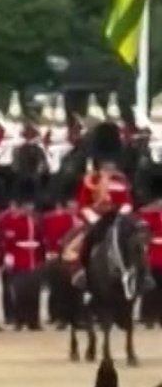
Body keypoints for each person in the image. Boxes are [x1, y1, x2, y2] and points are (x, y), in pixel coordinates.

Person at [68, 121, 132, 286]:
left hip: (118, 218)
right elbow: (83, 204)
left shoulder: (121, 179)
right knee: (81, 243)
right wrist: (94, 218)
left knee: (136, 240)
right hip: (96, 219)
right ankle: (80, 271)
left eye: (111, 162)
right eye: (106, 162)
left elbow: (127, 200)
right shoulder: (90, 179)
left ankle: (139, 273)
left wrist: (124, 211)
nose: (110, 165)